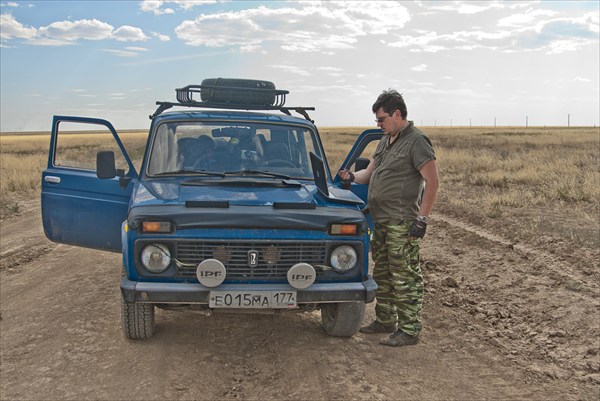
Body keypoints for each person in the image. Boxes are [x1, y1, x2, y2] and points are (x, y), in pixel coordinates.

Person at [339, 89, 439, 347]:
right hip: (381, 220)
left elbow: (433, 181)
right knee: (383, 273)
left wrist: (422, 219)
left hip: (402, 221)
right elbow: (368, 175)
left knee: (404, 274)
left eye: (381, 119)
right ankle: (385, 320)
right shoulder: (385, 141)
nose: (378, 124)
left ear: (397, 114)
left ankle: (409, 329)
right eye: (377, 121)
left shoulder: (417, 141)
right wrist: (351, 177)